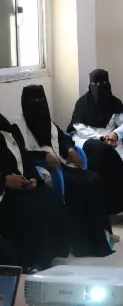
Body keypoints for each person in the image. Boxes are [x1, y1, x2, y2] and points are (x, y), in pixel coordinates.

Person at [17, 85, 115, 258]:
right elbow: (21, 154)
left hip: (63, 166)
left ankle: (101, 231)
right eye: (34, 101)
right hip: (46, 172)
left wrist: (70, 150)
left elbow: (63, 139)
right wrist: (43, 155)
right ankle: (83, 242)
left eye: (41, 100)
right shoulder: (18, 127)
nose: (38, 104)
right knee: (79, 186)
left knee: (93, 179)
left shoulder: (48, 122)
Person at [0, 112, 70, 271]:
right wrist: (5, 181)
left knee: (50, 198)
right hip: (5, 192)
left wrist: (33, 178)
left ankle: (49, 255)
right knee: (29, 209)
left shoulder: (11, 131)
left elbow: (25, 157)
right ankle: (30, 262)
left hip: (21, 184)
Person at [67, 69, 123, 215]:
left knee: (107, 154)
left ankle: (117, 203)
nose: (99, 88)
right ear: (90, 85)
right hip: (86, 139)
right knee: (104, 151)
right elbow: (79, 128)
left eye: (103, 83)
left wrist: (115, 134)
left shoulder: (114, 103)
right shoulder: (82, 103)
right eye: (96, 84)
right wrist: (101, 138)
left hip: (110, 139)